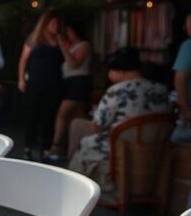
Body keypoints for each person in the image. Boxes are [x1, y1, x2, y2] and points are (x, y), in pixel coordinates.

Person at [69, 47, 170, 201]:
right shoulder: (161, 90)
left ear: (121, 71)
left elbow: (98, 125)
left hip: (120, 145)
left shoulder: (116, 91)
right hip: (155, 145)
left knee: (81, 132)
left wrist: (96, 113)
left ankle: (73, 181)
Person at [17, 10, 64, 160]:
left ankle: (45, 148)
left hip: (54, 83)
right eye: (53, 23)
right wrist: (21, 79)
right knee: (33, 115)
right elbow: (23, 60)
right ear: (45, 24)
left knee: (49, 116)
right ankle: (28, 146)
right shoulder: (34, 39)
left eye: (57, 24)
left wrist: (61, 41)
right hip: (35, 83)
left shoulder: (59, 40)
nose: (56, 26)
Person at [49, 18, 92, 161]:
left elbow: (73, 63)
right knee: (76, 117)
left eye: (69, 31)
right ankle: (75, 150)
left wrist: (62, 44)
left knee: (63, 114)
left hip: (78, 82)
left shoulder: (84, 45)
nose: (68, 34)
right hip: (70, 82)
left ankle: (56, 146)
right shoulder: (73, 46)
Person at [172, 11, 191, 144]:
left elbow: (180, 78)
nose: (185, 29)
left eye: (187, 25)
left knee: (176, 139)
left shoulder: (189, 46)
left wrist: (186, 109)